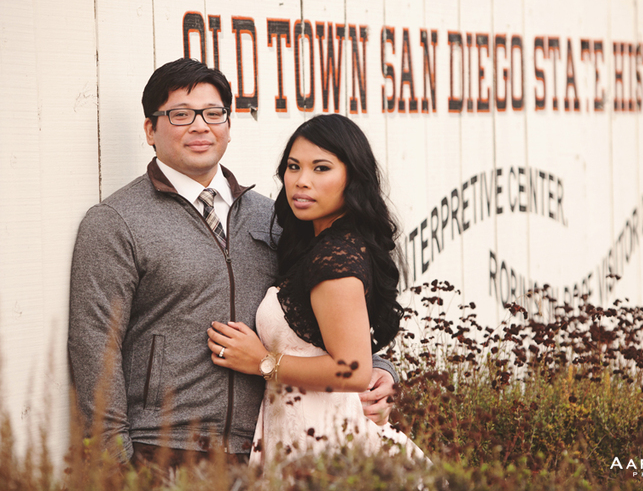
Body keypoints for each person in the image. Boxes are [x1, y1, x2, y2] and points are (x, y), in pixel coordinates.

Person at [67, 58, 397, 466]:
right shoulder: (116, 223)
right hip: (164, 450)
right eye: (180, 115)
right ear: (151, 129)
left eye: (213, 113)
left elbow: (320, 316)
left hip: (264, 445)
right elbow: (95, 348)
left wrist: (377, 370)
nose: (200, 126)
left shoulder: (276, 217)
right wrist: (115, 465)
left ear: (228, 124)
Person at [206, 114, 425, 465]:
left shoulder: (334, 258)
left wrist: (262, 362)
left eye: (321, 169)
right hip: (305, 432)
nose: (301, 182)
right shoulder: (317, 243)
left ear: (352, 178)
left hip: (327, 443)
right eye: (294, 167)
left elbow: (353, 370)